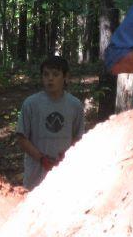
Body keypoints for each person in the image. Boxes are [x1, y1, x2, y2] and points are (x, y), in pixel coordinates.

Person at [16, 55, 85, 190]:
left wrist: (66, 157)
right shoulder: (31, 104)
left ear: (65, 77)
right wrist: (42, 159)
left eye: (55, 74)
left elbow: (78, 137)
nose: (50, 78)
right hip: (36, 173)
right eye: (46, 74)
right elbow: (21, 137)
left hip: (64, 171)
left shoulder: (74, 105)